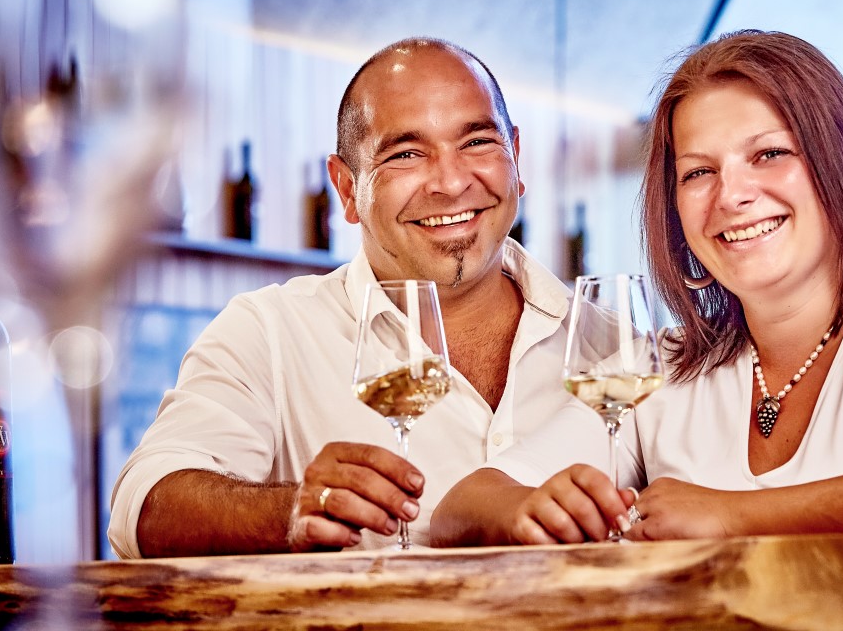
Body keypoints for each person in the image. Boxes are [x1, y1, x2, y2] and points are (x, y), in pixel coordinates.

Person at [430, 30, 843, 546]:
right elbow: (462, 506)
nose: (731, 196)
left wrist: (732, 515)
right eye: (698, 172)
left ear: (841, 167)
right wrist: (531, 508)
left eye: (768, 154)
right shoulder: (660, 369)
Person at [108, 38, 574, 556]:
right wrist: (289, 511)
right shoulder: (268, 331)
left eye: (477, 142)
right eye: (406, 154)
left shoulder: (612, 347)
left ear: (516, 158)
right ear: (348, 189)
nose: (450, 181)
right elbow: (143, 505)